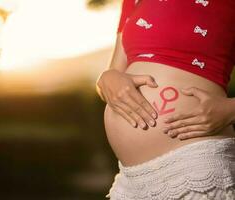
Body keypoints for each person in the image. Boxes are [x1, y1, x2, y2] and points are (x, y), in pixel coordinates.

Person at [95, 0, 235, 199]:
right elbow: (114, 71)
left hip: (195, 163)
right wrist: (106, 78)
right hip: (130, 181)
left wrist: (231, 109)